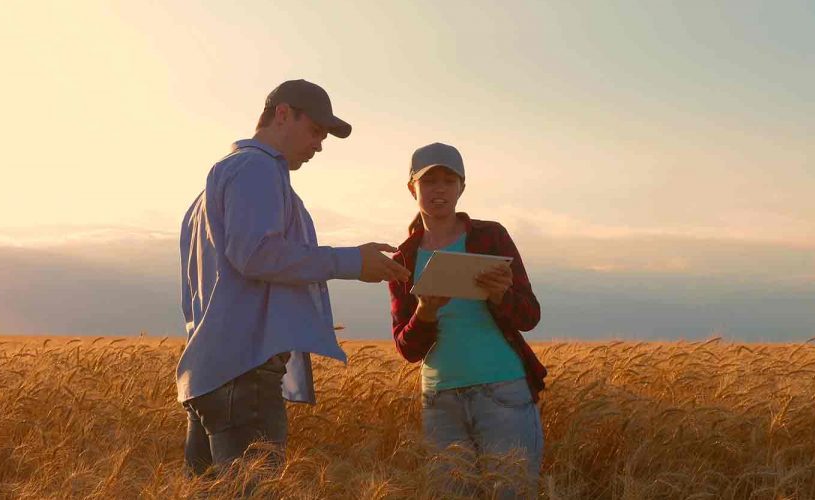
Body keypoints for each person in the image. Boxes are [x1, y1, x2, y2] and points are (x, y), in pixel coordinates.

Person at [178, 79, 411, 475]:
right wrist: (351, 263)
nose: (319, 144)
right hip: (242, 370)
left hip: (208, 374)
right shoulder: (257, 168)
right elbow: (256, 254)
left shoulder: (214, 185)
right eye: (315, 130)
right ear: (283, 114)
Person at [387, 142, 547, 497]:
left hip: (504, 391)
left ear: (462, 187)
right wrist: (425, 313)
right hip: (440, 402)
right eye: (429, 182)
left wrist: (500, 295)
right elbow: (407, 349)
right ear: (412, 187)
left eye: (449, 180)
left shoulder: (491, 236)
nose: (439, 189)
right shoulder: (404, 258)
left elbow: (530, 315)